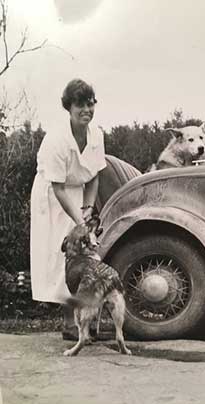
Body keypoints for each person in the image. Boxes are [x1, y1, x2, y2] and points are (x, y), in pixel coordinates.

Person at [30, 78, 106, 340]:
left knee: (84, 256)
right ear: (69, 107)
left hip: (78, 194)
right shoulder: (56, 139)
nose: (86, 110)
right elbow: (59, 187)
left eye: (90, 104)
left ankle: (83, 321)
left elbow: (94, 175)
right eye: (80, 105)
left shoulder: (96, 135)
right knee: (64, 257)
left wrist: (87, 208)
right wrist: (78, 221)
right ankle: (69, 324)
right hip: (52, 197)